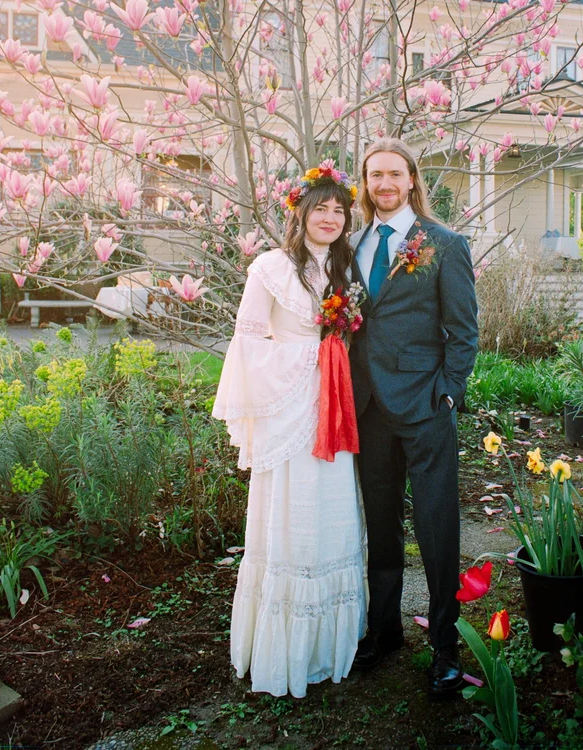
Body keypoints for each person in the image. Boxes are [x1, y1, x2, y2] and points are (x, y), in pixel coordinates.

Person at [212, 165, 367, 698]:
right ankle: (284, 650)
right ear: (300, 214)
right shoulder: (271, 269)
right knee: (291, 513)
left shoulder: (348, 268)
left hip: (335, 407)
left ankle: (329, 645)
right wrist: (313, 355)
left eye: (338, 210)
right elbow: (249, 338)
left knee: (332, 513)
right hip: (292, 406)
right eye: (320, 209)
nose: (329, 218)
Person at [348, 138, 479, 694]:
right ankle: (384, 631)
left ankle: (445, 647)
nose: (384, 184)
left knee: (436, 528)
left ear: (411, 180)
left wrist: (448, 393)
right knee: (380, 526)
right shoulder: (349, 246)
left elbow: (464, 330)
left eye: (393, 174)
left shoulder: (444, 244)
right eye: (375, 175)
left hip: (426, 407)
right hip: (368, 409)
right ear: (365, 182)